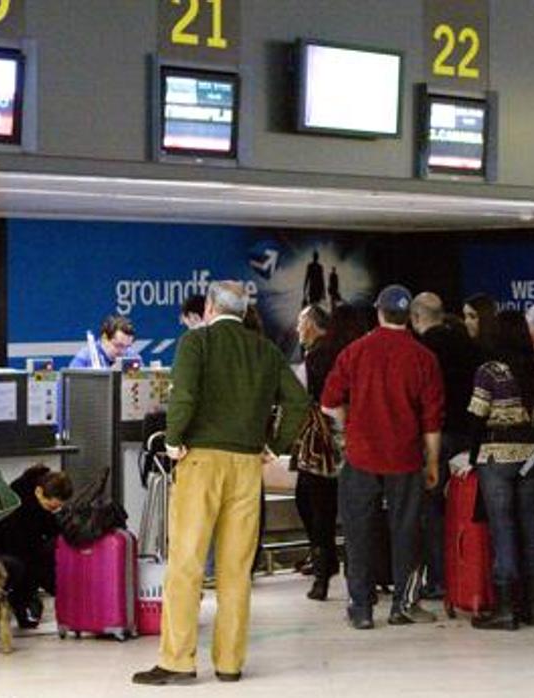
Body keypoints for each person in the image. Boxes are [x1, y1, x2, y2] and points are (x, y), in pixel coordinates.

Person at [132, 281, 308, 686]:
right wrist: (272, 444)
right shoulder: (265, 349)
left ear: (210, 307)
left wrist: (174, 439)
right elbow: (298, 403)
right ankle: (230, 663)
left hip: (200, 462)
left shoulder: (197, 343)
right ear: (244, 311)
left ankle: (178, 661)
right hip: (247, 465)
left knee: (187, 563)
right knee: (236, 568)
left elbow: (185, 396)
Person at [321, 284, 444, 630]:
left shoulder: (355, 352)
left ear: (378, 312)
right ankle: (403, 605)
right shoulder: (424, 358)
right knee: (406, 531)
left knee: (358, 531)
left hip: (361, 456)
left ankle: (360, 608)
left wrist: (352, 423)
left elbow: (329, 402)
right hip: (405, 459)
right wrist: (432, 462)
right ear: (410, 317)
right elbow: (432, 420)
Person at [467, 310, 534, 630]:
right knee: (530, 527)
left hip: (496, 457)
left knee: (502, 529)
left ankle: (505, 608)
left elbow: (476, 415)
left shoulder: (490, 371)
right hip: (531, 457)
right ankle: (531, 606)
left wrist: (473, 456)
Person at [410, 292, 482, 600]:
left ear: (415, 318)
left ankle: (439, 578)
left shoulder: (421, 351)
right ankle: (468, 575)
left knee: (433, 509)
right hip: (470, 435)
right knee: (467, 510)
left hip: (437, 437)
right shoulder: (470, 346)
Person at [0, 466, 73, 629]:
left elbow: (50, 534)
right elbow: (25, 550)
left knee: (33, 561)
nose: (54, 511)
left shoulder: (37, 503)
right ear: (38, 491)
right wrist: (59, 588)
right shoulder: (16, 505)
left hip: (6, 554)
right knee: (22, 565)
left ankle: (18, 607)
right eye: (52, 507)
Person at [293, 304, 341, 601]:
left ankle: (323, 571)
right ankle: (325, 560)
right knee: (312, 500)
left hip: (321, 443)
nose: (297, 328)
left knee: (315, 502)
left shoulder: (319, 358)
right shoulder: (330, 353)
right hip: (331, 440)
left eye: (300, 322)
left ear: (311, 324)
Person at [68, 315, 138, 369]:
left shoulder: (132, 356)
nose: (123, 352)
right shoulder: (86, 357)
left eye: (127, 346)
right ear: (104, 338)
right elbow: (63, 387)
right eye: (118, 345)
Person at [462, 292, 498, 357]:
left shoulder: (503, 351)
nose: (466, 322)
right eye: (465, 317)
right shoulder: (463, 353)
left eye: (472, 317)